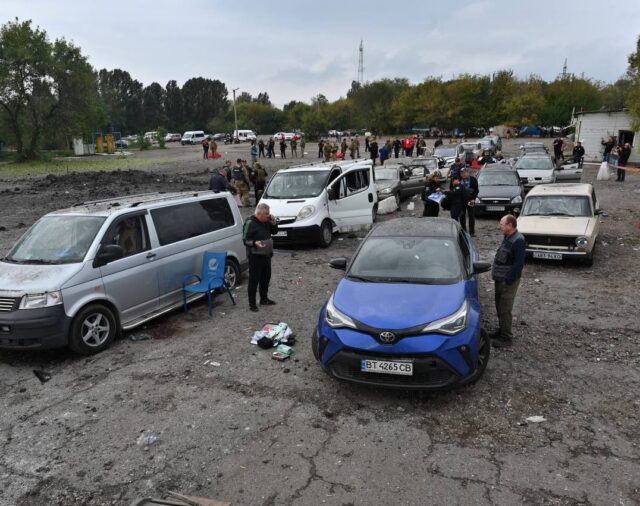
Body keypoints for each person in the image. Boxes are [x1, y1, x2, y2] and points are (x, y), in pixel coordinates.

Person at [491, 214, 526, 348]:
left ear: (510, 225)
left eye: (501, 224)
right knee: (499, 306)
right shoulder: (508, 237)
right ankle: (501, 330)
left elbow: (518, 264)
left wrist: (508, 280)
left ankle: (506, 338)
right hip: (500, 279)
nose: (499, 226)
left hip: (507, 282)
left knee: (505, 309)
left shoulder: (519, 241)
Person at [243, 203, 278, 312]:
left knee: (265, 279)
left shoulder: (266, 221)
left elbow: (274, 232)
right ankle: (252, 304)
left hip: (267, 255)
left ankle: (264, 299)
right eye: (266, 214)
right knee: (254, 280)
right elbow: (245, 240)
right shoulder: (250, 222)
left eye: (269, 213)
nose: (269, 215)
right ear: (259, 213)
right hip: (255, 256)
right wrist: (254, 243)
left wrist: (274, 224)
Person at [459, 168, 479, 236]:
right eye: (462, 173)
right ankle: (463, 231)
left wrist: (473, 198)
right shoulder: (458, 179)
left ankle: (472, 231)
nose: (463, 174)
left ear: (468, 173)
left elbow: (476, 190)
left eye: (464, 173)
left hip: (470, 200)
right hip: (461, 201)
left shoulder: (473, 179)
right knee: (462, 216)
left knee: (471, 215)